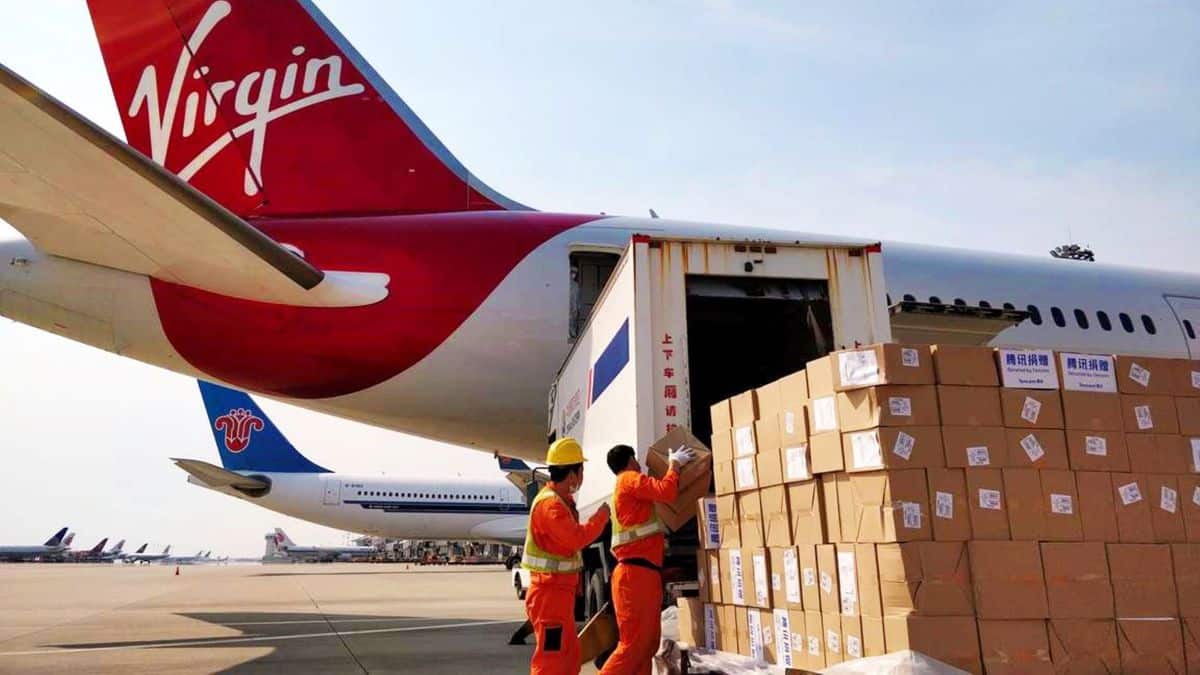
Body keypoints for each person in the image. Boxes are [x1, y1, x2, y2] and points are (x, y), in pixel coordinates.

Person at [599, 443, 695, 675]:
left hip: (644, 573)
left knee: (648, 645)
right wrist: (674, 465)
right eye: (636, 458)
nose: (639, 464)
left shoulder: (628, 485)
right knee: (633, 646)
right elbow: (666, 491)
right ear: (630, 460)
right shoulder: (629, 478)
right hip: (634, 575)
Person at [523, 437, 611, 675]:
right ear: (572, 474)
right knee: (551, 660)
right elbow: (577, 539)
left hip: (556, 593)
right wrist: (602, 516)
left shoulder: (560, 502)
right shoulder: (550, 506)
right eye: (581, 470)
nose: (582, 476)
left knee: (569, 657)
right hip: (549, 595)